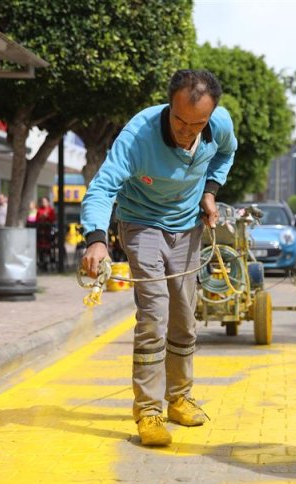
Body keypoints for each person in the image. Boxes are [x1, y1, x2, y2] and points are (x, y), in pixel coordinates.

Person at [80, 69, 237, 446]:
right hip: (141, 224)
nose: (186, 132)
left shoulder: (219, 125)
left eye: (196, 125)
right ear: (169, 106)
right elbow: (102, 187)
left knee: (184, 313)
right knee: (154, 314)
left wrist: (210, 192)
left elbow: (226, 155)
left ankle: (180, 397)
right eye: (179, 121)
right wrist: (97, 240)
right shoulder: (138, 136)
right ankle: (149, 411)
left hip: (188, 226)